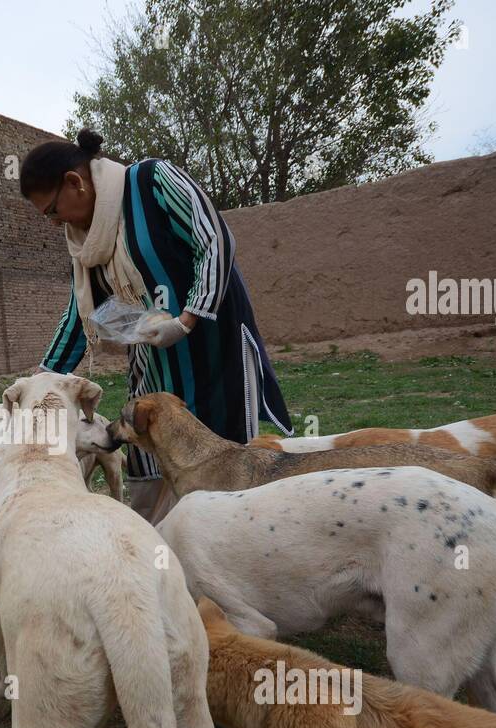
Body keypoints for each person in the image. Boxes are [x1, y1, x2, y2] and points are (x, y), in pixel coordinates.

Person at [20, 129, 292, 522]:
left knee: (222, 462)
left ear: (74, 182)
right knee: (149, 456)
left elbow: (214, 241)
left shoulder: (153, 181)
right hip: (154, 361)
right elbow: (82, 315)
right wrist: (41, 378)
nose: (53, 223)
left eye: (51, 210)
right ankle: (158, 547)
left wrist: (186, 320)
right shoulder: (85, 242)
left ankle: (238, 539)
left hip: (213, 349)